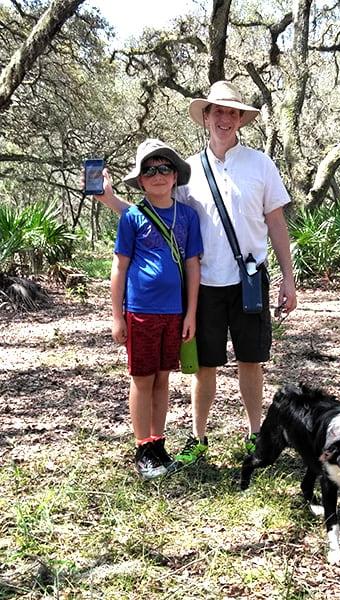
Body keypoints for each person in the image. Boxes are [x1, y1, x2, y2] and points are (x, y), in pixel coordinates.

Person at [96, 81, 297, 466]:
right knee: (204, 365)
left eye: (233, 113)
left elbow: (276, 223)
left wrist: (288, 278)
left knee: (250, 361)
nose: (225, 119)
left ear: (241, 119)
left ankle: (255, 434)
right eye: (218, 111)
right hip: (202, 284)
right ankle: (197, 438)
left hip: (250, 280)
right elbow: (155, 215)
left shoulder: (260, 165)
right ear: (206, 116)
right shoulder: (187, 172)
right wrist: (110, 200)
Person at [110, 138, 203, 479]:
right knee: (142, 378)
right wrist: (117, 315)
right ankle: (142, 447)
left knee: (163, 378)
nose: (158, 175)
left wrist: (191, 313)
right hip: (140, 311)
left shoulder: (188, 217)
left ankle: (158, 443)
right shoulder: (133, 217)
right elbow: (120, 267)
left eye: (164, 168)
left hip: (174, 313)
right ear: (142, 180)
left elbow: (193, 266)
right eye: (150, 170)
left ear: (175, 176)